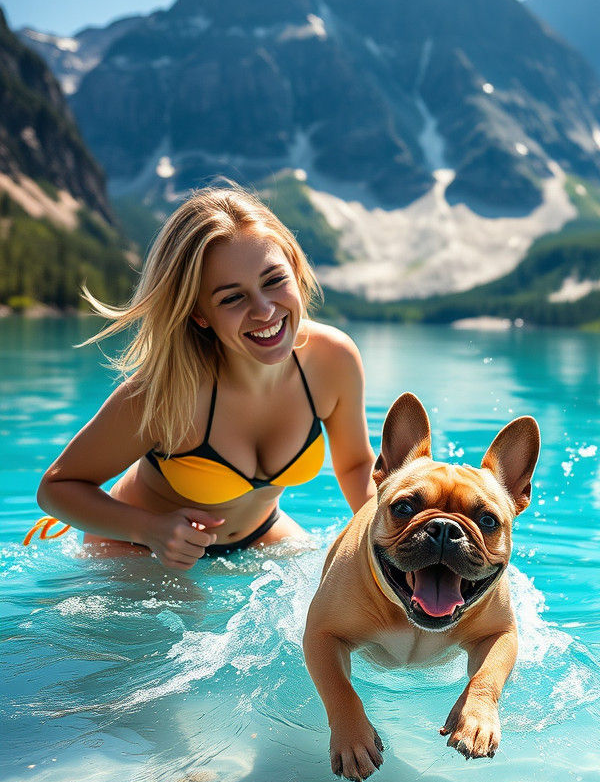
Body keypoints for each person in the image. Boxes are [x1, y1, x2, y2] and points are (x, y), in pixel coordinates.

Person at [36, 185, 377, 569]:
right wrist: (148, 529)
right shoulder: (167, 391)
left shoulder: (333, 360)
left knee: (328, 596)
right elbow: (56, 488)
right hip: (138, 545)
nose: (264, 310)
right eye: (232, 298)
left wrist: (389, 540)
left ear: (295, 271)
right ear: (199, 314)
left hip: (263, 533)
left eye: (273, 280)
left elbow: (355, 467)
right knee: (190, 624)